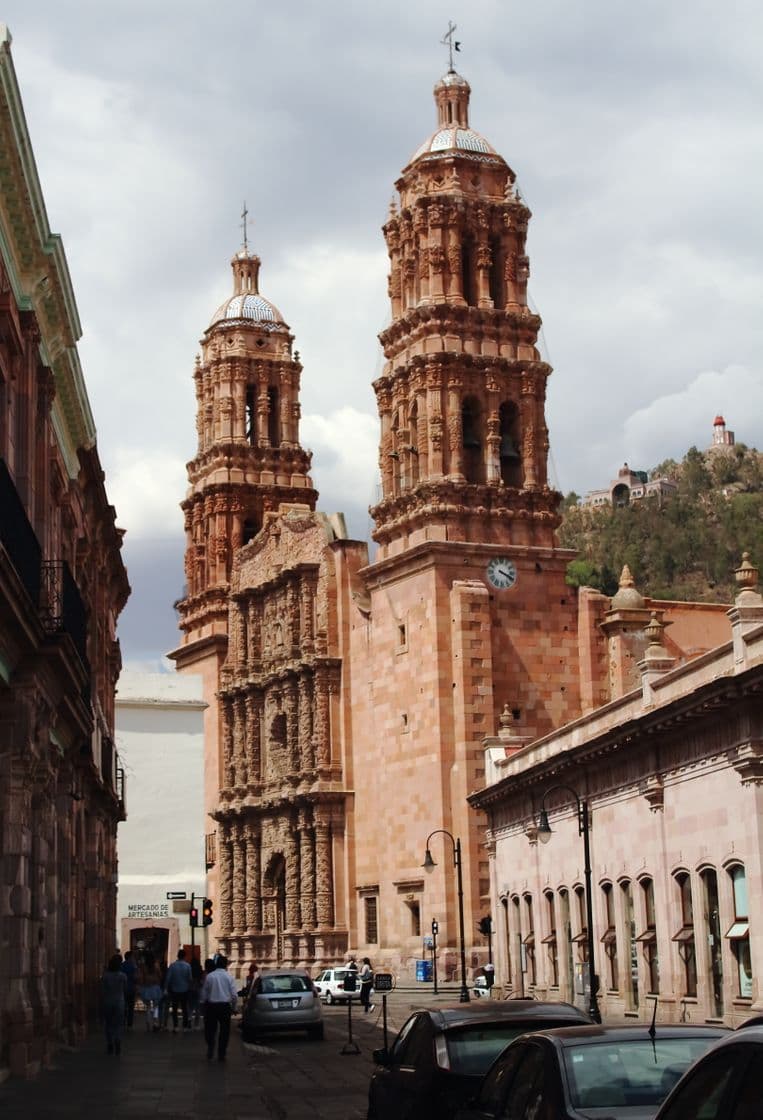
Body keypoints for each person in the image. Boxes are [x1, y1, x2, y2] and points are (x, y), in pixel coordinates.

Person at [200, 954, 238, 1061]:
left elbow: (204, 993)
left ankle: (211, 1047)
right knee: (224, 1031)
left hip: (212, 1006)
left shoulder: (210, 976)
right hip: (225, 1007)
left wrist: (203, 1004)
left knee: (210, 1029)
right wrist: (234, 1008)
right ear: (226, 965)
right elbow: (234, 995)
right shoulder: (229, 977)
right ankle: (222, 1053)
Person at [100, 953, 127, 1055]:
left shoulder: (105, 976)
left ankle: (110, 1043)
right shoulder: (123, 976)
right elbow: (124, 988)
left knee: (109, 1024)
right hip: (119, 1001)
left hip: (108, 1001)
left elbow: (102, 990)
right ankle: (118, 1040)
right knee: (118, 1024)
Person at [165, 948, 193, 1032]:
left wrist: (166, 988)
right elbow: (190, 978)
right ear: (184, 956)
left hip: (174, 990)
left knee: (174, 1008)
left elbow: (168, 978)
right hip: (185, 990)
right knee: (184, 1008)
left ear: (178, 956)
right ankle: (184, 1027)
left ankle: (175, 1026)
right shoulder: (187, 966)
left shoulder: (172, 965)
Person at [139, 951, 163, 1032]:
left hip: (146, 988)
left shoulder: (143, 966)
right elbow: (160, 976)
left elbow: (141, 979)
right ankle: (155, 1023)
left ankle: (148, 1024)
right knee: (156, 1006)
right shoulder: (156, 965)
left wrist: (141, 986)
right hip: (155, 987)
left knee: (148, 1007)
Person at [121, 950, 137, 1029]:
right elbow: (135, 977)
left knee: (124, 1005)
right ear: (130, 957)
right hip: (131, 988)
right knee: (131, 1006)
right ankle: (129, 1023)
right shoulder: (133, 966)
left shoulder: (122, 965)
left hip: (123, 988)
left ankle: (123, 1020)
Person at [188, 955, 204, 1029]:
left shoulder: (189, 969)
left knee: (190, 1006)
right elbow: (201, 981)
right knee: (197, 1007)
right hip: (197, 989)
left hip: (190, 989)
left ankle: (189, 1019)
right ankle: (196, 1024)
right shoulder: (200, 969)